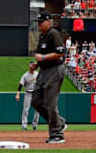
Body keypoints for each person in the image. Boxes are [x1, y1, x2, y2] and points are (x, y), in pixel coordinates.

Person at [31, 12, 66, 143]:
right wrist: (37, 64)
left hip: (54, 70)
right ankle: (59, 122)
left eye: (41, 22)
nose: (39, 24)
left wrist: (44, 58)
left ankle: (57, 135)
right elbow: (41, 55)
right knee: (35, 100)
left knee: (51, 103)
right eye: (38, 22)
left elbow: (60, 52)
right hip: (43, 70)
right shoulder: (42, 36)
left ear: (49, 22)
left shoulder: (53, 34)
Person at [15, 62, 40, 131]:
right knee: (26, 110)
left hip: (36, 93)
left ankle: (35, 125)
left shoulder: (37, 74)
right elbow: (20, 86)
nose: (33, 66)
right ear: (29, 67)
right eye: (31, 65)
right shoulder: (25, 75)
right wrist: (18, 94)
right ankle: (24, 125)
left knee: (37, 110)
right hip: (28, 93)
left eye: (33, 65)